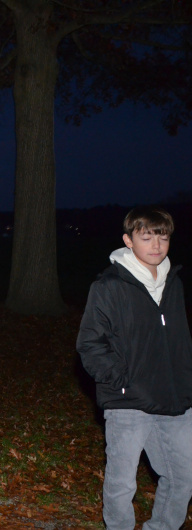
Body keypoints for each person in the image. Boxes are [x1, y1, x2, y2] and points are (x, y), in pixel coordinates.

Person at [77, 206, 192, 530]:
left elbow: (179, 340)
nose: (156, 245)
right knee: (122, 482)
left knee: (182, 476)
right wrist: (121, 381)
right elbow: (90, 343)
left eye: (163, 237)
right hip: (128, 401)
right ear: (128, 240)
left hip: (175, 399)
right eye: (147, 237)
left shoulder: (174, 283)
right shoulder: (109, 286)